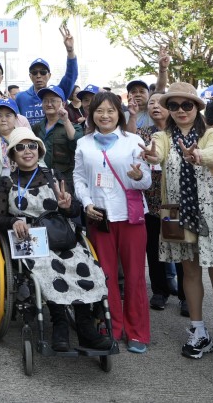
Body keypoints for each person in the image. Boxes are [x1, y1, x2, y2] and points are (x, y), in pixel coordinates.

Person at [141, 82, 213, 365]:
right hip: (175, 214)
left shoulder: (212, 134)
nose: (180, 110)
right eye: (174, 105)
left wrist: (198, 155)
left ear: (197, 107)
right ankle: (198, 330)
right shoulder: (163, 136)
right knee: (189, 274)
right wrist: (152, 155)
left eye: (186, 105)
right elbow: (158, 152)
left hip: (211, 213)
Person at [0, 127, 111, 351]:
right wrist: (12, 221)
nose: (27, 151)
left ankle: (85, 326)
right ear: (13, 154)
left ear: (39, 150)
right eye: (20, 147)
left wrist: (67, 206)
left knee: (85, 267)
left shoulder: (54, 176)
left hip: (61, 236)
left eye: (32, 146)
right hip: (30, 239)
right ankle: (60, 323)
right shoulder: (8, 182)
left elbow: (74, 211)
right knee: (48, 270)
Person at [74, 92, 152, 354]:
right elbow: (79, 178)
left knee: (134, 275)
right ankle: (112, 326)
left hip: (130, 216)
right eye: (99, 111)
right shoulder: (83, 143)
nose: (105, 116)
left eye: (110, 110)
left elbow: (145, 182)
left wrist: (138, 176)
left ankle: (137, 331)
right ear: (91, 114)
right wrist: (87, 203)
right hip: (100, 216)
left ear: (120, 113)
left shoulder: (133, 141)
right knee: (105, 275)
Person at [137, 92, 185, 315]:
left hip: (174, 200)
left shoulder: (180, 133)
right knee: (153, 247)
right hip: (149, 200)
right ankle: (159, 290)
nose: (155, 106)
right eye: (151, 103)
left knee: (179, 246)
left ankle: (185, 294)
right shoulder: (142, 134)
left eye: (160, 102)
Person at [15, 24, 78, 125]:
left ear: (49, 75)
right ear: (30, 76)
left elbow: (71, 75)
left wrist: (70, 50)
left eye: (43, 72)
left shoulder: (58, 92)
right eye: (34, 72)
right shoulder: (20, 97)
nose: (38, 76)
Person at [33, 85, 82, 190]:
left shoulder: (73, 127)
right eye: (45, 101)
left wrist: (65, 120)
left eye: (53, 101)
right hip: (40, 180)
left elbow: (77, 145)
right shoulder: (36, 128)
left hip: (64, 182)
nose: (49, 104)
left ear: (63, 104)